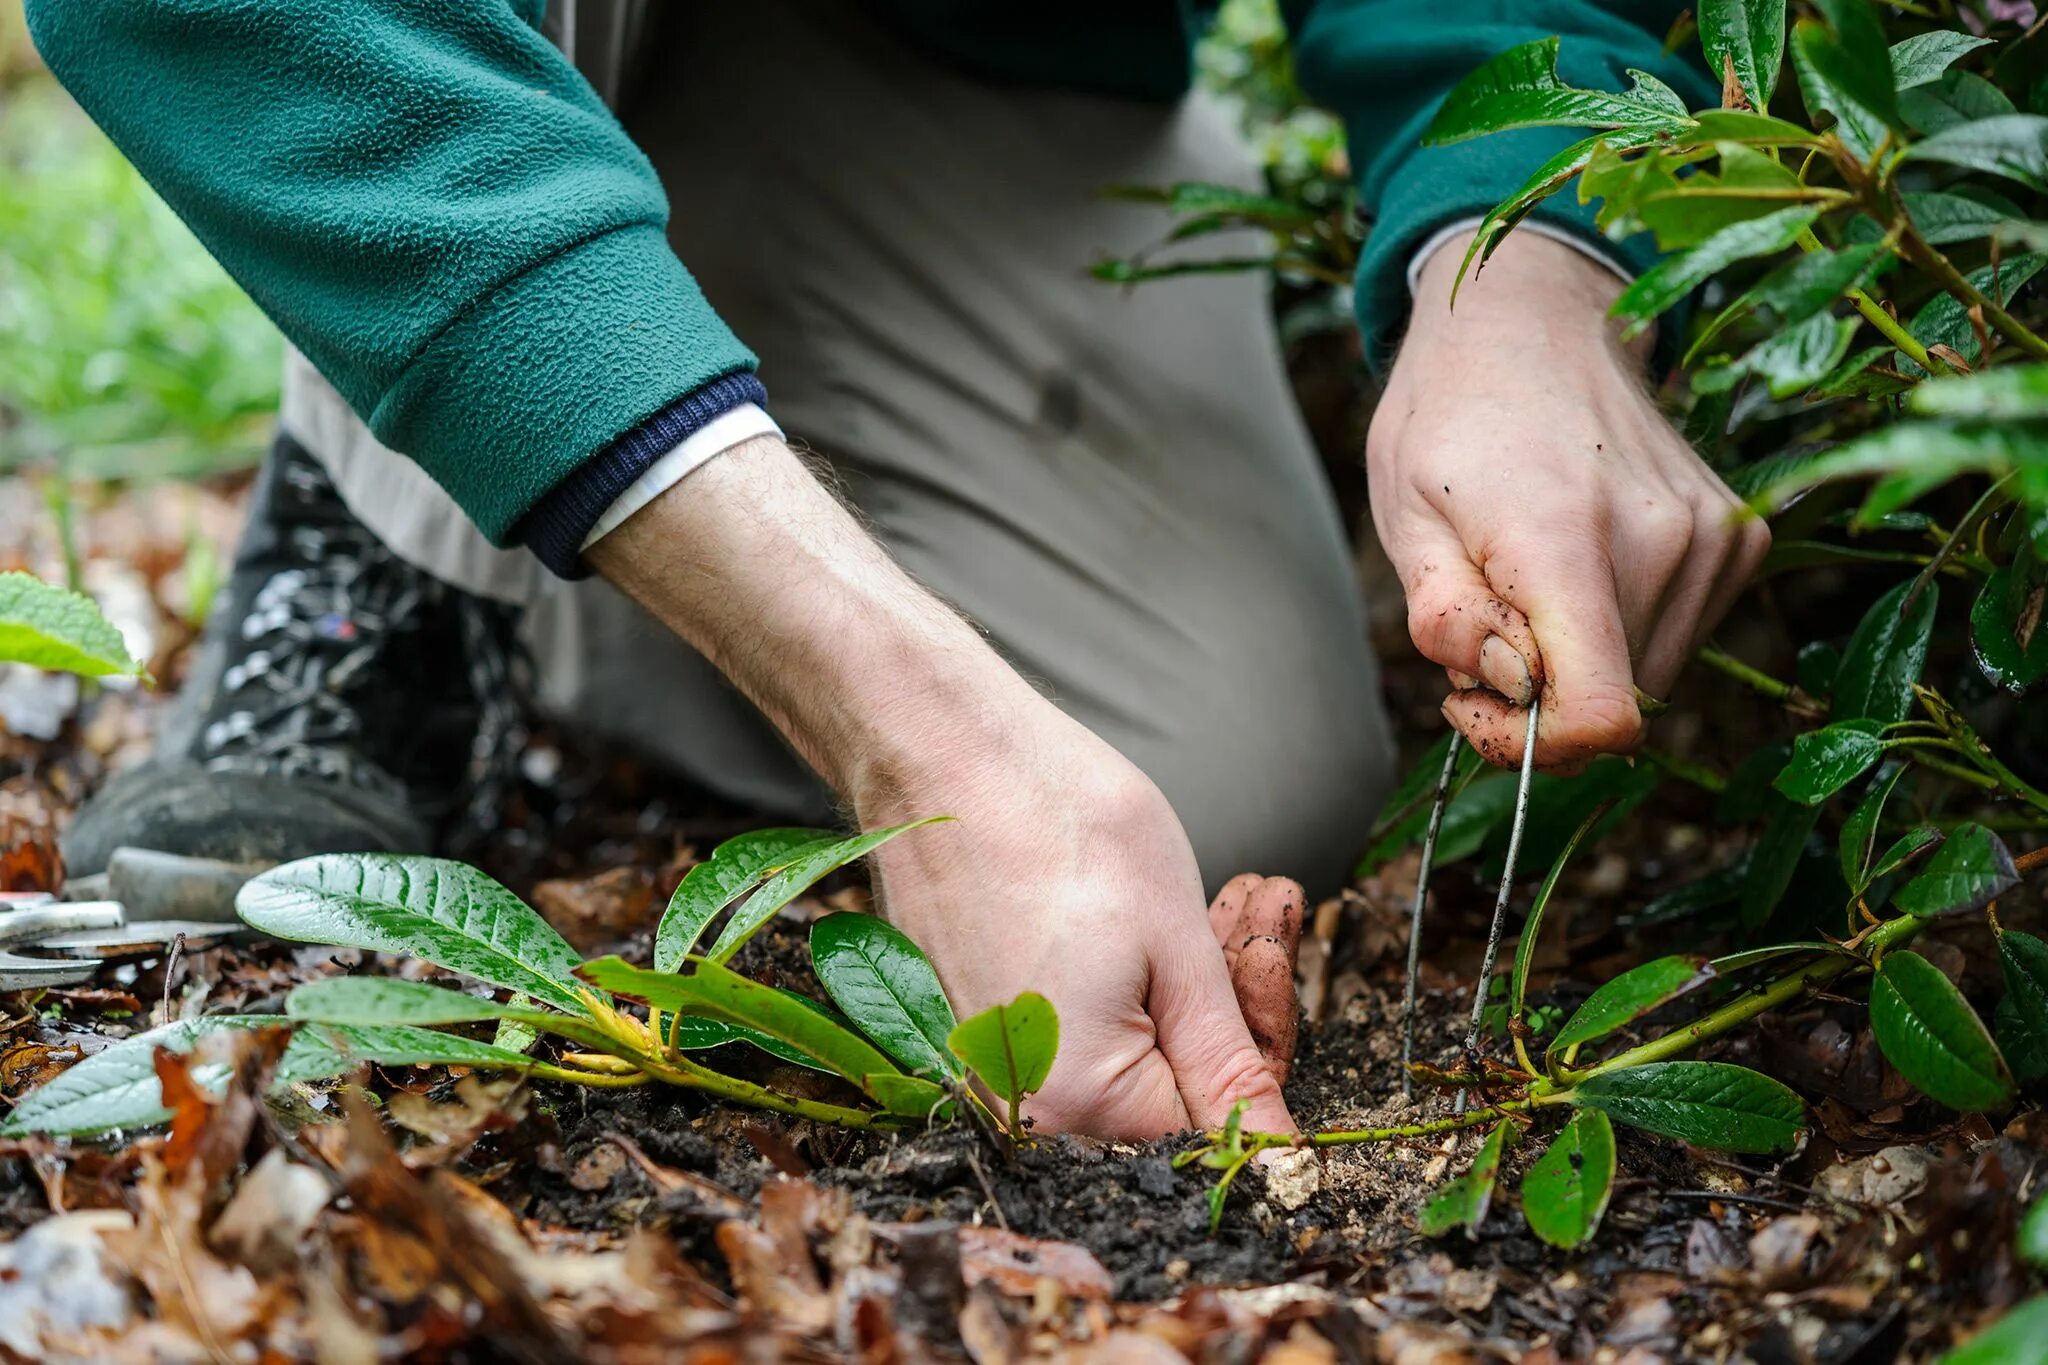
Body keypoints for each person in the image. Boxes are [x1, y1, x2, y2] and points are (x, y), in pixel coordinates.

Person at [28, 1, 1767, 1141]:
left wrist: (1522, 254)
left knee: (1231, 786)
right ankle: (391, 534)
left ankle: (592, 461)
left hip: (947, 56)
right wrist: (916, 733)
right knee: (1011, 793)